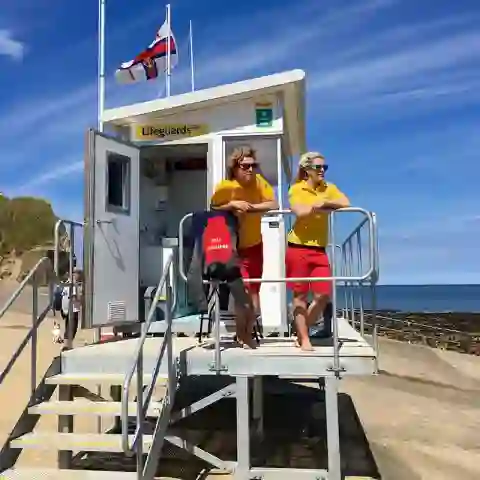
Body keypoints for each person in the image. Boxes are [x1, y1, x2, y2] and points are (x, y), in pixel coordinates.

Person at [210, 146, 278, 348]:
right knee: (245, 293)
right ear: (235, 168)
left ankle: (245, 333)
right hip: (234, 249)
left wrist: (251, 208)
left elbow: (273, 203)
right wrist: (231, 205)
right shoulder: (225, 186)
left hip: (255, 246)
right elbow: (213, 209)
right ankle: (243, 336)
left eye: (253, 165)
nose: (250, 169)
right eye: (245, 166)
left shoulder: (259, 183)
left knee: (255, 295)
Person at [286, 152, 350, 351]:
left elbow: (346, 203)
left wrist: (325, 203)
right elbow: (300, 211)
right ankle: (304, 339)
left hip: (319, 250)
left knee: (323, 295)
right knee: (299, 297)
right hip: (297, 248)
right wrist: (317, 206)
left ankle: (300, 330)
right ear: (307, 170)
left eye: (325, 167)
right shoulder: (297, 188)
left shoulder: (328, 188)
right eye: (318, 167)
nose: (322, 170)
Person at [61, 268, 83, 348]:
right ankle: (67, 347)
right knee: (72, 329)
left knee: (68, 328)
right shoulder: (73, 284)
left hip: (66, 310)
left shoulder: (67, 282)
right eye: (79, 273)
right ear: (74, 274)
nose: (80, 275)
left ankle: (67, 346)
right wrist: (82, 301)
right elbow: (74, 297)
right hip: (73, 310)